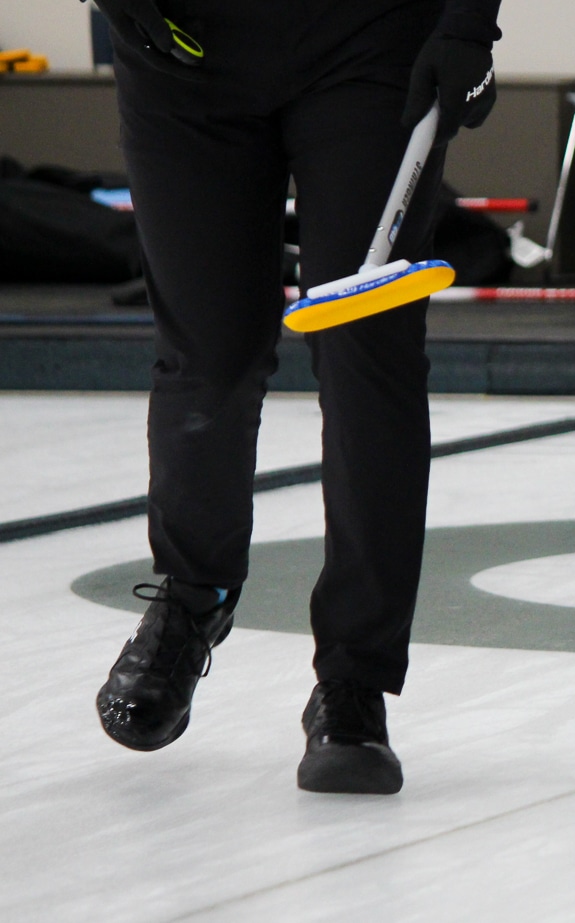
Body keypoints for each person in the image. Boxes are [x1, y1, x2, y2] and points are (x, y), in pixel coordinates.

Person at [91, 0, 501, 794]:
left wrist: (467, 23)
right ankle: (191, 596)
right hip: (180, 46)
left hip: (368, 38)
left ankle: (355, 680)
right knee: (206, 354)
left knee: (365, 354)